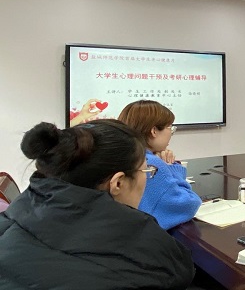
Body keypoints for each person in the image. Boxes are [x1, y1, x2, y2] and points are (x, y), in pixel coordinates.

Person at [0, 120, 195, 289]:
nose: (147, 177)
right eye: (146, 172)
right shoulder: (146, 257)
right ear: (118, 183)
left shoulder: (14, 216)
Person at [118, 100, 201, 230]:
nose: (171, 133)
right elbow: (189, 204)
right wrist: (173, 170)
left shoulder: (123, 155)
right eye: (170, 128)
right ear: (154, 131)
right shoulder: (150, 164)